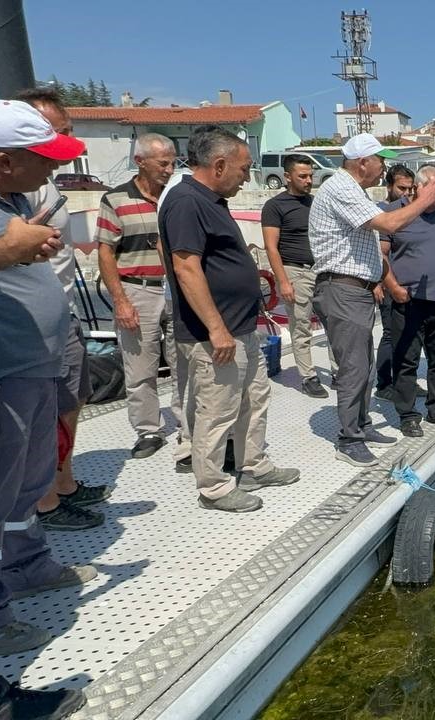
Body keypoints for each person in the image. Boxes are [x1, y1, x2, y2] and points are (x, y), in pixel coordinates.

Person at [0, 99, 98, 666]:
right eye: (43, 158)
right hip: (4, 372)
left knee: (25, 482)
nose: (53, 170)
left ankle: (28, 564)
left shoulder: (12, 199)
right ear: (5, 160)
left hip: (31, 366)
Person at [159, 126, 299, 513]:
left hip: (241, 327)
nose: (247, 176)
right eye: (243, 168)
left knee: (254, 399)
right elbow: (186, 267)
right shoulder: (186, 201)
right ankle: (214, 487)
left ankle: (253, 465)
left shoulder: (211, 199)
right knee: (217, 410)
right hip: (214, 334)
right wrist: (216, 328)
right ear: (218, 165)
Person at [308, 134, 435, 467]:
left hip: (357, 291)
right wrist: (424, 200)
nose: (384, 167)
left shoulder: (355, 191)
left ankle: (362, 426)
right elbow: (390, 223)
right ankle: (349, 439)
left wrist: (385, 282)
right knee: (353, 368)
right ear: (362, 162)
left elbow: (369, 248)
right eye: (381, 159)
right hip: (342, 290)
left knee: (362, 364)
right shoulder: (341, 188)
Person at [16, 87, 110, 531]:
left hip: (63, 313)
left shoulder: (45, 181)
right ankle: (47, 502)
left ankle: (64, 483)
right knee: (47, 412)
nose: (67, 143)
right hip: (34, 327)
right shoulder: (24, 188)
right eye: (61, 131)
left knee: (73, 398)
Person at [96, 132, 186, 460]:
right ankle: (148, 430)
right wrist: (120, 301)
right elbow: (105, 253)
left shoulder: (177, 197)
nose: (169, 169)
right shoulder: (116, 199)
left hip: (177, 290)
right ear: (140, 162)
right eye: (163, 163)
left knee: (184, 363)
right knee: (140, 366)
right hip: (138, 291)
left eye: (173, 162)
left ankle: (188, 427)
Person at [380, 166, 435, 438]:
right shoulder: (395, 212)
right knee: (406, 361)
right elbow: (381, 255)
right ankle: (408, 415)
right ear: (419, 187)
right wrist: (392, 287)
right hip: (407, 302)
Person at [261, 154, 332, 398]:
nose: (309, 180)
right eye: (303, 176)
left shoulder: (316, 203)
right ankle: (308, 376)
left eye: (311, 175)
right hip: (295, 270)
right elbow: (271, 246)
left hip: (321, 271)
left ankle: (339, 372)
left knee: (332, 322)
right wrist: (283, 281)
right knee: (301, 325)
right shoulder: (275, 206)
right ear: (287, 177)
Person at [372, 164, 416, 398]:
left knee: (410, 335)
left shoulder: (409, 213)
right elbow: (380, 253)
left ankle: (404, 380)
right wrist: (379, 284)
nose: (406, 194)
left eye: (410, 189)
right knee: (390, 334)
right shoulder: (384, 214)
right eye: (401, 188)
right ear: (389, 186)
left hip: (410, 286)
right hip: (390, 285)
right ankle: (384, 384)